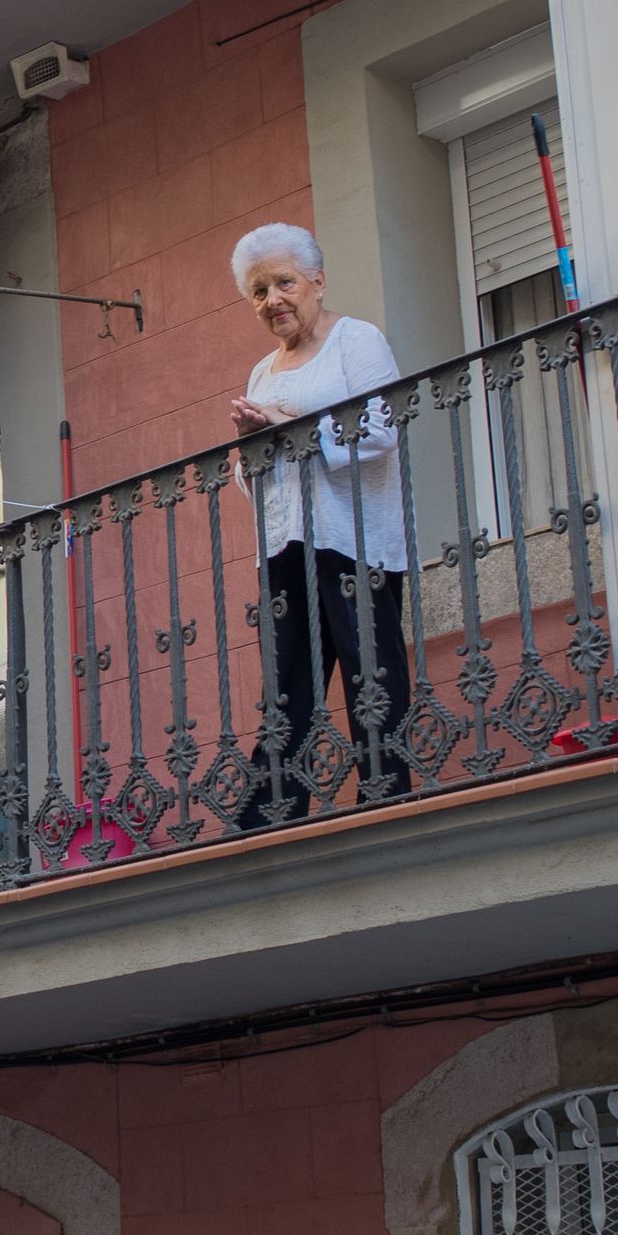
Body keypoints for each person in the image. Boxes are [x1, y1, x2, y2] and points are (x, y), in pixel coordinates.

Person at [225, 222, 416, 826]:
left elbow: (382, 430)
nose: (273, 299)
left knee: (370, 668)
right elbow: (258, 471)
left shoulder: (355, 340)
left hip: (352, 536)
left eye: (283, 282)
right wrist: (247, 450)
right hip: (284, 541)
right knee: (289, 685)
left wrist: (293, 424)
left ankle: (386, 793)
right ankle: (271, 810)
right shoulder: (262, 371)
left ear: (317, 280)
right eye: (258, 291)